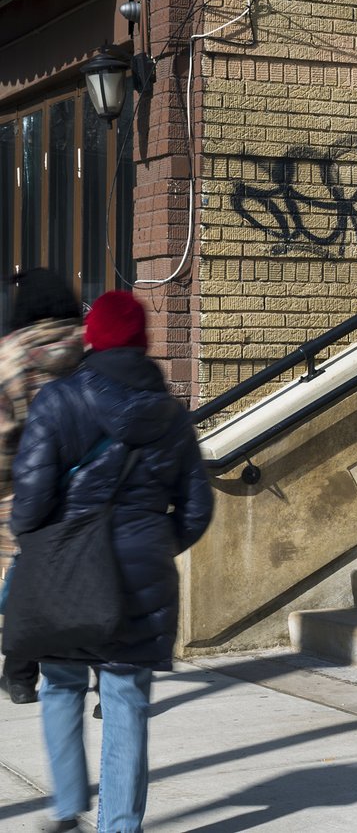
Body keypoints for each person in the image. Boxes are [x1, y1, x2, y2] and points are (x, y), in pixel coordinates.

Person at [10, 290, 213, 833]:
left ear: (92, 338)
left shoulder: (57, 401)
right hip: (141, 577)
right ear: (143, 343)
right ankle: (120, 826)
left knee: (61, 683)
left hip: (69, 574)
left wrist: (36, 538)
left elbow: (28, 506)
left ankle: (68, 809)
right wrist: (152, 541)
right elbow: (196, 508)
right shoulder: (172, 415)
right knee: (125, 700)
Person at [0, 269, 85, 706]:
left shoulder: (9, 358)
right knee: (88, 581)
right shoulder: (90, 347)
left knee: (24, 582)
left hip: (25, 492)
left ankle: (19, 676)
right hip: (88, 488)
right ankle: (104, 674)